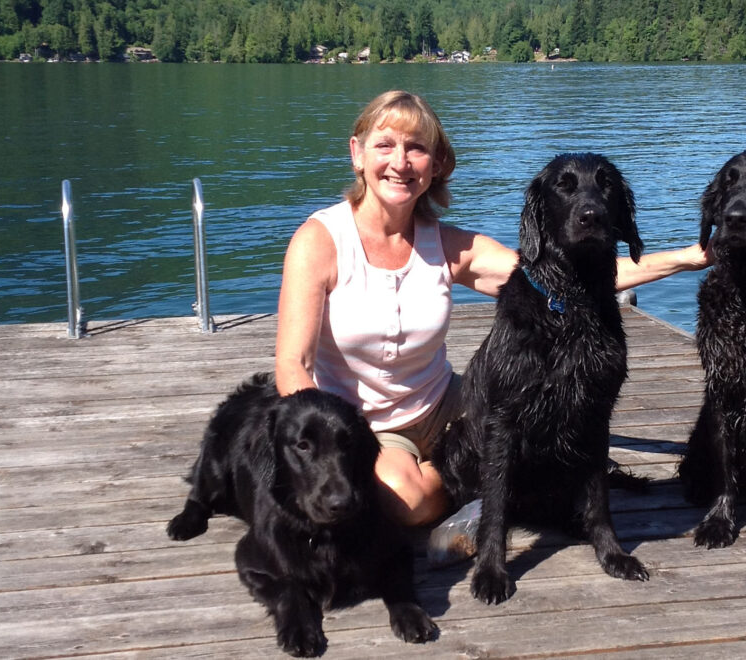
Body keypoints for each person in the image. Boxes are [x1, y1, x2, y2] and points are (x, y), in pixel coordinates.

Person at [275, 90, 708, 528]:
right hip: (368, 423)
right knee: (407, 504)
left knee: (529, 419)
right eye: (385, 145)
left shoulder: (446, 245)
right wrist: (321, 448)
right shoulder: (319, 242)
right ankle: (491, 491)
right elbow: (295, 364)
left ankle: (505, 486)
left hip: (449, 405)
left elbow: (558, 275)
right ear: (358, 153)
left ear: (436, 164)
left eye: (417, 148)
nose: (400, 162)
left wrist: (689, 257)